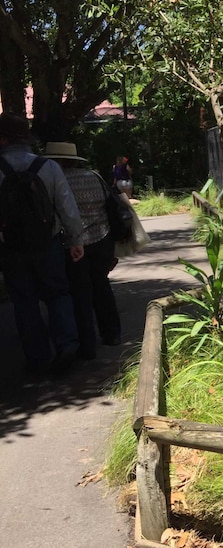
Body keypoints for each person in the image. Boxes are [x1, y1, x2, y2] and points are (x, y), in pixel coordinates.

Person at [0, 112, 85, 375]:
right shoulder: (48, 167)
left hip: (10, 249)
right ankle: (67, 345)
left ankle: (37, 358)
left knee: (24, 302)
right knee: (58, 294)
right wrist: (75, 240)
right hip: (48, 244)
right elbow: (67, 208)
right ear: (26, 139)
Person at [44, 142, 122, 359]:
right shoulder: (94, 177)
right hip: (102, 238)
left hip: (72, 244)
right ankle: (112, 333)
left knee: (80, 293)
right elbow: (111, 206)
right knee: (102, 286)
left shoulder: (54, 181)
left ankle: (87, 345)